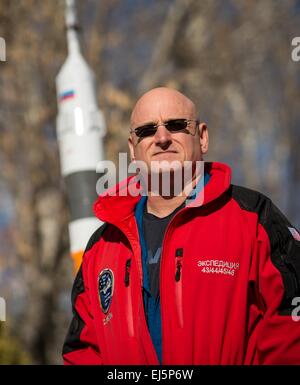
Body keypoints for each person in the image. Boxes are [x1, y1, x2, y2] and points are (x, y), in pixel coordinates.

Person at [63, 87, 300, 365]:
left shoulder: (253, 218)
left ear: (202, 137)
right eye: (147, 131)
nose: (162, 138)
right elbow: (82, 353)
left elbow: (290, 328)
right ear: (132, 148)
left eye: (176, 126)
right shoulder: (102, 247)